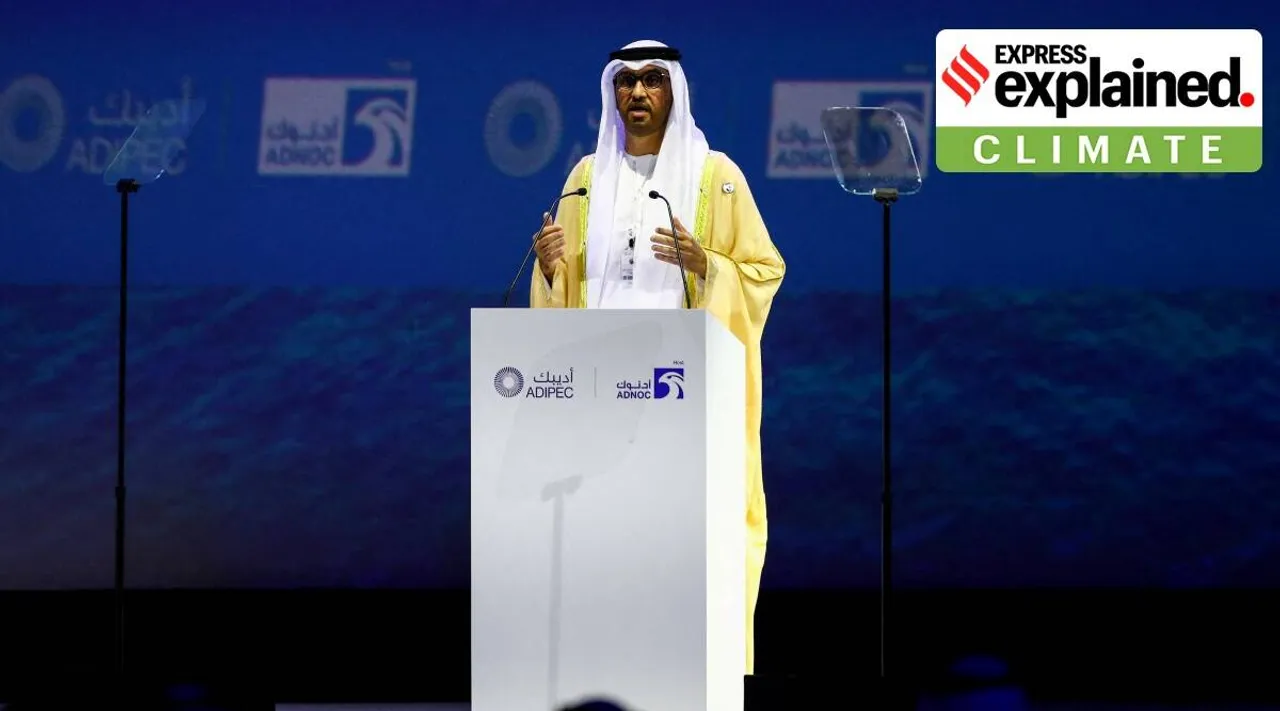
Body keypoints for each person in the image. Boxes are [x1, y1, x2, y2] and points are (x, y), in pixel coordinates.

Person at [529, 39, 785, 675]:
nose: (637, 94)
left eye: (652, 81)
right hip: (598, 404)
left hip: (680, 401)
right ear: (611, 92)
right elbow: (565, 296)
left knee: (683, 556)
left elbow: (763, 273)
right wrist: (550, 266)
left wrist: (710, 266)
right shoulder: (585, 180)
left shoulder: (716, 176)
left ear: (674, 91)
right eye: (626, 82)